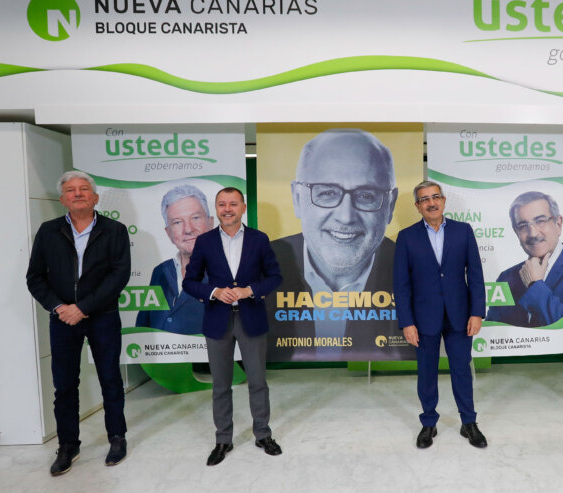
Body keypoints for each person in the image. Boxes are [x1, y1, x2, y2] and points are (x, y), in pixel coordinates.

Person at [26, 171, 131, 475]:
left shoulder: (115, 230)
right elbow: (35, 278)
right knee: (64, 385)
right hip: (62, 320)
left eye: (84, 189)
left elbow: (118, 275)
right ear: (62, 199)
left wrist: (83, 307)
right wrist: (60, 307)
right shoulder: (48, 232)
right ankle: (68, 445)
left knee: (110, 379)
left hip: (103, 317)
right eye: (71, 190)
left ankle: (117, 437)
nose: (78, 193)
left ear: (95, 197)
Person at [267, 128, 400, 360]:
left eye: (366, 195)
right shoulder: (263, 264)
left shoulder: (411, 270)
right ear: (298, 198)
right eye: (327, 192)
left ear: (390, 205)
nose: (346, 216)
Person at [182, 187, 283, 466]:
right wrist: (214, 291)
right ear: (216, 209)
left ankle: (263, 434)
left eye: (233, 204)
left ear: (243, 207)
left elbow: (275, 277)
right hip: (217, 320)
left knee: (258, 382)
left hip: (251, 318)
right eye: (222, 204)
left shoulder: (259, 239)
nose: (228, 209)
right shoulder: (204, 241)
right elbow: (190, 282)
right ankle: (223, 439)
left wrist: (249, 290)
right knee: (220, 384)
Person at [393, 181, 487, 449]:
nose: (431, 202)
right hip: (423, 318)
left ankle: (469, 422)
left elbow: (476, 276)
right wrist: (407, 322)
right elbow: (401, 284)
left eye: (436, 197)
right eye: (425, 199)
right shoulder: (406, 237)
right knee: (426, 372)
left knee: (461, 370)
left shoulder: (463, 231)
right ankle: (428, 423)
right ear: (417, 206)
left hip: (460, 315)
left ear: (444, 201)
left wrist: (477, 312)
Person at [485, 191, 563, 327]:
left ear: (558, 224)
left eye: (540, 221)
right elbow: (494, 330)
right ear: (516, 232)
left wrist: (535, 285)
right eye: (522, 226)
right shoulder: (505, 278)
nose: (533, 233)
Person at [136, 184, 213, 334]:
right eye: (177, 222)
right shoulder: (160, 271)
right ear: (168, 233)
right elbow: (142, 327)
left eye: (196, 218)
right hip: (161, 356)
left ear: (210, 223)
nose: (188, 229)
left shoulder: (227, 270)